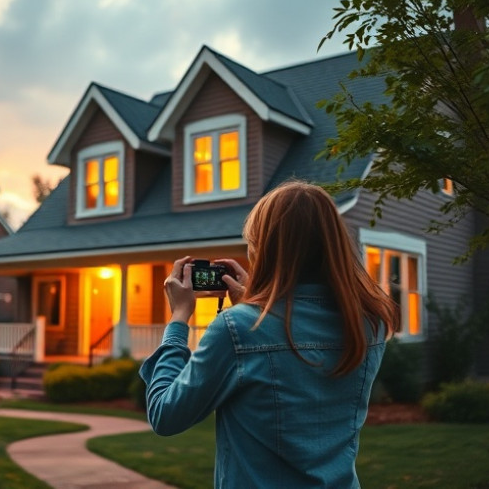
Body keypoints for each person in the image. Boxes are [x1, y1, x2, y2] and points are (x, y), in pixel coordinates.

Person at [139, 180, 400, 488]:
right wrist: (256, 306)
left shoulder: (237, 330)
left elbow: (165, 415)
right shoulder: (370, 324)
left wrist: (179, 319)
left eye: (253, 243)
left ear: (266, 250)